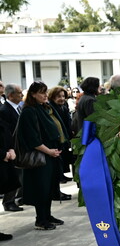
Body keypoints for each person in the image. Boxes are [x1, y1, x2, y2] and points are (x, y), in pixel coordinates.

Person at [17, 81, 68, 230]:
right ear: (33, 94)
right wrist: (49, 151)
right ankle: (40, 219)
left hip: (51, 153)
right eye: (41, 92)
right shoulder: (29, 111)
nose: (45, 95)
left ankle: (47, 215)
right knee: (41, 188)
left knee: (50, 185)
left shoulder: (44, 107)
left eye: (46, 92)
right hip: (40, 155)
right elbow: (32, 139)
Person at [0, 84, 24, 211]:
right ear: (10, 95)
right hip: (10, 148)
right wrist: (9, 148)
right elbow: (6, 131)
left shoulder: (18, 108)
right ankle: (8, 201)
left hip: (18, 147)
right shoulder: (5, 110)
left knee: (19, 174)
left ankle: (19, 197)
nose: (21, 95)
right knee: (12, 175)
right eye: (19, 93)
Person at [48, 86, 75, 183]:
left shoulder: (64, 106)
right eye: (59, 96)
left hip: (65, 134)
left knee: (64, 156)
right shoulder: (51, 107)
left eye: (63, 96)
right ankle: (60, 176)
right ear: (53, 97)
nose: (62, 99)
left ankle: (62, 174)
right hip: (58, 136)